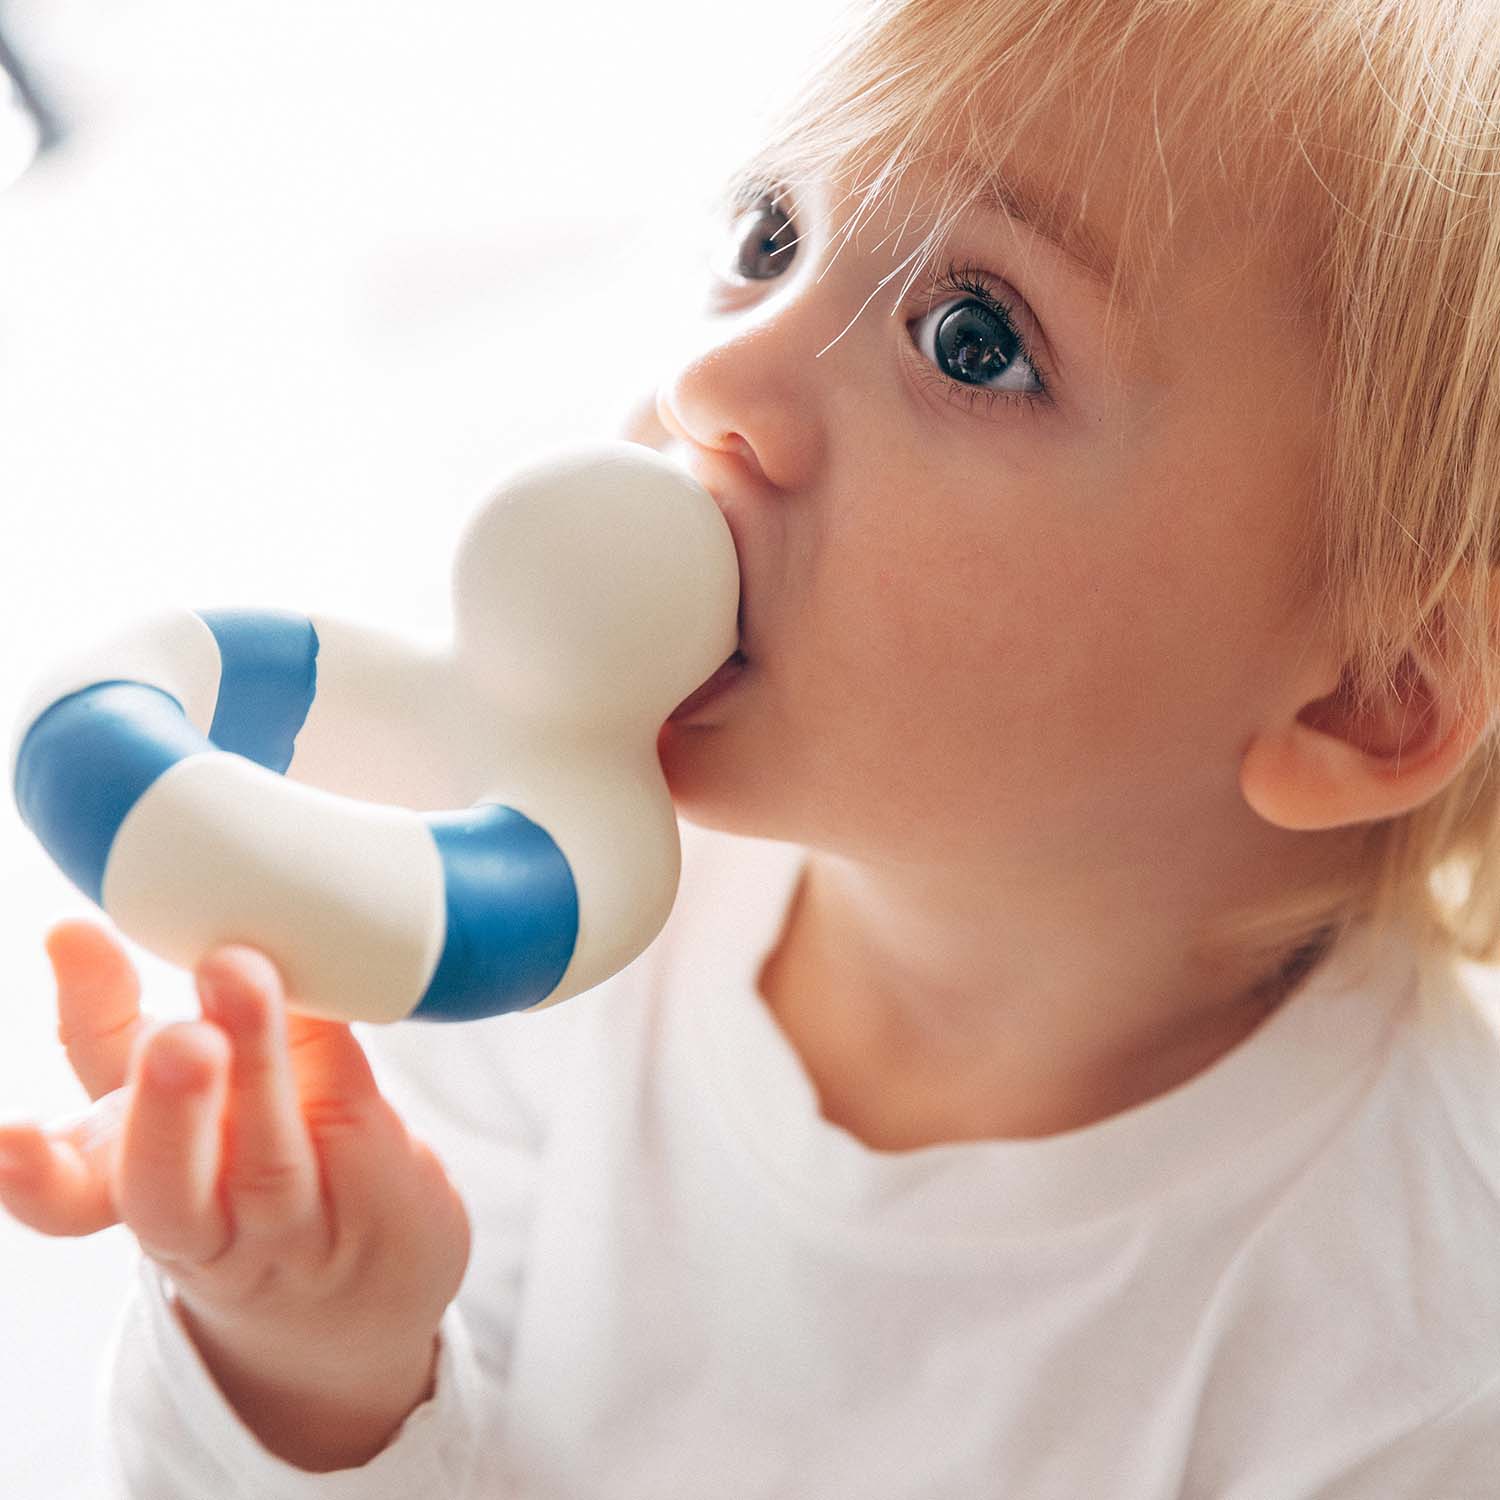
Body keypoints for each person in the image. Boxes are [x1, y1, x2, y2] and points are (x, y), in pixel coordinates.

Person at [4, 0, 1500, 1492]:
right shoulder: (522, 930)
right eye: (771, 237)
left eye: (972, 340)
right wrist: (315, 1369)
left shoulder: (1424, 1348)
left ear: (1362, 694)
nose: (710, 385)